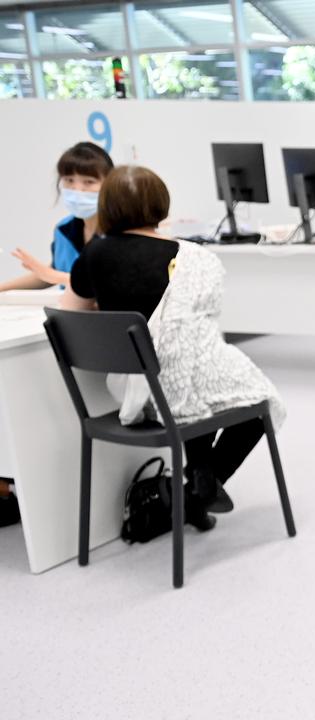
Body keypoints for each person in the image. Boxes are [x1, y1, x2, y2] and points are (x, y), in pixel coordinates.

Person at [61, 165, 285, 532]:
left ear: (108, 207)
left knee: (193, 384)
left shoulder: (92, 256)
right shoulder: (191, 258)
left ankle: (197, 485)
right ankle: (196, 492)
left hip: (133, 394)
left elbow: (70, 315)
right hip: (177, 394)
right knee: (258, 400)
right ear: (161, 206)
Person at [1, 142, 113, 293]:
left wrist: (50, 275)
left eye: (89, 182)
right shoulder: (64, 229)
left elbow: (111, 282)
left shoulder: (122, 231)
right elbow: (52, 272)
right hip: (69, 312)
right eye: (69, 180)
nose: (77, 189)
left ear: (109, 184)